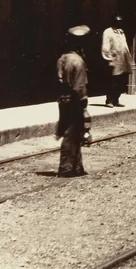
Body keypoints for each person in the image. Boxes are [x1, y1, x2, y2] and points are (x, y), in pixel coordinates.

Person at [56, 25, 92, 176]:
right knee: (72, 134)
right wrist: (83, 106)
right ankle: (66, 167)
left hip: (63, 99)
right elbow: (79, 87)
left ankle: (77, 167)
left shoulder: (62, 59)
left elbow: (59, 79)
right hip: (75, 101)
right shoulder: (79, 62)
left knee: (74, 133)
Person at [100, 16, 132, 108]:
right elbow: (105, 47)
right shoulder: (108, 32)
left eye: (120, 22)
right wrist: (109, 59)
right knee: (112, 82)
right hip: (114, 61)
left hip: (122, 61)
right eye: (118, 22)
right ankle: (109, 100)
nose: (119, 23)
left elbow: (124, 45)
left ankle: (116, 99)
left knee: (120, 81)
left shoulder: (121, 32)